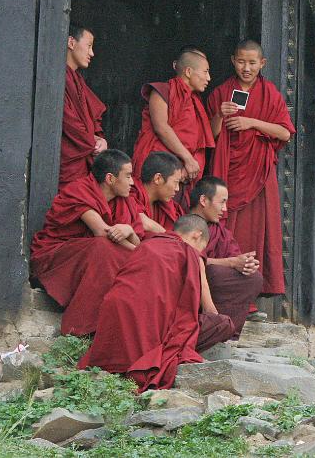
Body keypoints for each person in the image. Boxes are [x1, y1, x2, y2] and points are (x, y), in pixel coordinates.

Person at [79, 215, 234, 392]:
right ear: (197, 235)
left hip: (110, 335)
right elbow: (199, 310)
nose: (199, 252)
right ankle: (148, 359)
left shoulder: (146, 244)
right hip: (147, 337)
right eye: (201, 248)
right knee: (222, 324)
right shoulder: (189, 253)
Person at [207, 39, 296, 320]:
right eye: (241, 62)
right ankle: (222, 295)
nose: (247, 68)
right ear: (233, 60)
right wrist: (220, 116)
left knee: (256, 232)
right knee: (227, 229)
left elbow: (285, 133)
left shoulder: (270, 94)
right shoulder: (221, 92)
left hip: (258, 176)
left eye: (252, 62)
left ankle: (250, 299)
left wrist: (251, 122)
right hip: (229, 173)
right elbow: (209, 136)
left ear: (262, 64)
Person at [31, 149, 141, 335]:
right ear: (110, 178)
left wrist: (129, 231)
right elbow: (102, 232)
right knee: (104, 248)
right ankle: (81, 327)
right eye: (128, 176)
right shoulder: (80, 191)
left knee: (120, 256)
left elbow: (137, 240)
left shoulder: (125, 202)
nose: (132, 182)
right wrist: (141, 255)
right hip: (56, 257)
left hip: (94, 255)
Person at [131, 49, 214, 208]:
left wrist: (189, 167)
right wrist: (187, 159)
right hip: (160, 169)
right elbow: (161, 127)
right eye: (206, 72)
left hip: (183, 174)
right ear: (188, 72)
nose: (208, 78)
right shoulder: (162, 91)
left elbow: (200, 140)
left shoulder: (195, 102)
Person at [190, 177, 265, 337]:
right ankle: (207, 329)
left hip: (215, 285)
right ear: (203, 200)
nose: (225, 209)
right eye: (221, 202)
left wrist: (244, 263)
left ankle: (225, 333)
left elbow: (233, 255)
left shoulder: (219, 231)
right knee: (216, 273)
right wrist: (230, 263)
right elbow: (186, 259)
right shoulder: (185, 225)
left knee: (253, 278)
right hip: (189, 282)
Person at [59, 23, 108, 188]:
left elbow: (90, 118)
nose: (92, 53)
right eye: (89, 46)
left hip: (82, 156)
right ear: (71, 43)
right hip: (68, 159)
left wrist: (99, 139)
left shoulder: (78, 80)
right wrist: (93, 141)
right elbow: (68, 121)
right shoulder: (59, 76)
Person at [131, 151, 185, 234]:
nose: (177, 189)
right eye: (175, 182)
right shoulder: (131, 192)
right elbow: (142, 221)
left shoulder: (167, 206)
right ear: (158, 178)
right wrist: (170, 237)